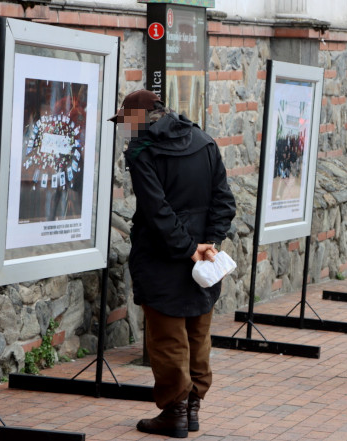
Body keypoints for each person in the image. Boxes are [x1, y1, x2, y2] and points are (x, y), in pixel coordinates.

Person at [110, 89, 236, 438]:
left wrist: (188, 248)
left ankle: (175, 412)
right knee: (197, 332)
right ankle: (192, 409)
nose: (125, 130)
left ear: (139, 119)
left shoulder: (142, 151)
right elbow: (224, 200)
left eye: (126, 122)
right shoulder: (204, 140)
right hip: (201, 259)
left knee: (167, 338)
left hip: (162, 255)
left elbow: (157, 210)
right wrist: (208, 242)